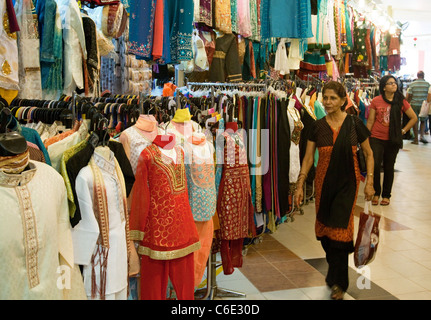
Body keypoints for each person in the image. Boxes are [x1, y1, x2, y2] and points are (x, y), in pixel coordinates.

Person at [295, 81, 375, 300]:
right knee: (325, 233)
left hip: (348, 184)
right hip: (323, 183)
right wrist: (300, 184)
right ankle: (333, 274)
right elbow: (309, 158)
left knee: (341, 230)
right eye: (325, 98)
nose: (328, 102)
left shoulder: (354, 124)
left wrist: (370, 182)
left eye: (333, 98)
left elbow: (368, 154)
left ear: (343, 100)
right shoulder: (317, 126)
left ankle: (339, 283)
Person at [367, 75, 417, 206]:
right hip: (376, 138)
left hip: (393, 139)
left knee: (389, 167)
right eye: (390, 83)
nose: (394, 85)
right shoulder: (376, 101)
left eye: (395, 83)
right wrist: (366, 137)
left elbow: (413, 118)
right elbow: (371, 121)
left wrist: (403, 131)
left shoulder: (401, 101)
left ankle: (386, 195)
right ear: (384, 87)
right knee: (376, 165)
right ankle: (376, 193)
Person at [405, 71, 431, 144]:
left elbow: (408, 96)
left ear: (417, 76)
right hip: (424, 105)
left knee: (415, 121)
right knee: (423, 121)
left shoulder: (412, 84)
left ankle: (416, 139)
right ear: (423, 76)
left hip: (414, 104)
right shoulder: (427, 84)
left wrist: (406, 103)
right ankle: (422, 136)